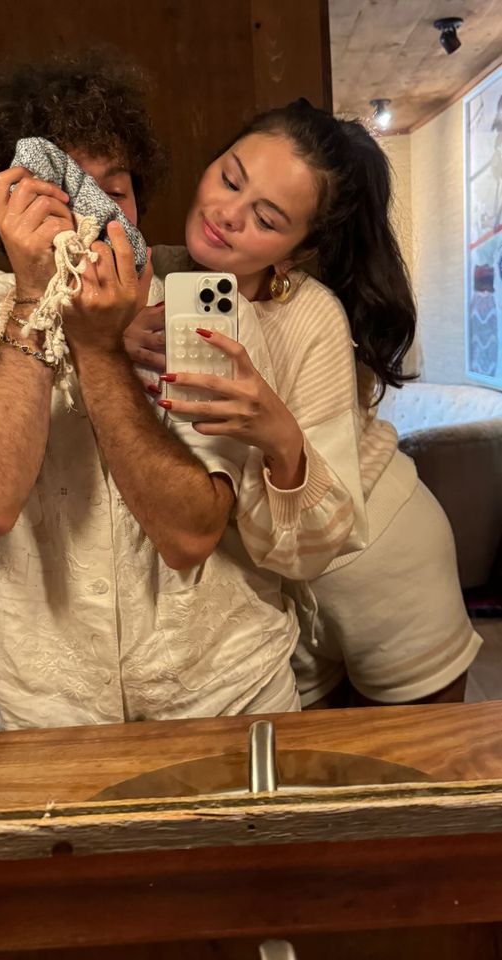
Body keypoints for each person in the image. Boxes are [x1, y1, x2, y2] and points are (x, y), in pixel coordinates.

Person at [0, 53, 350, 729]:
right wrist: (36, 303)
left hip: (226, 693)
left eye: (113, 193)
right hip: (54, 712)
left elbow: (190, 532)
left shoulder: (205, 314)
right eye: (59, 197)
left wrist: (99, 351)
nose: (89, 220)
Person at [135, 99, 482, 707]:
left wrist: (280, 435)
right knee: (311, 761)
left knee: (422, 760)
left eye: (266, 219)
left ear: (295, 252)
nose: (227, 214)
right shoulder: (151, 276)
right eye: (230, 179)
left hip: (380, 558)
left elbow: (323, 517)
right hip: (271, 584)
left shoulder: (311, 314)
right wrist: (114, 337)